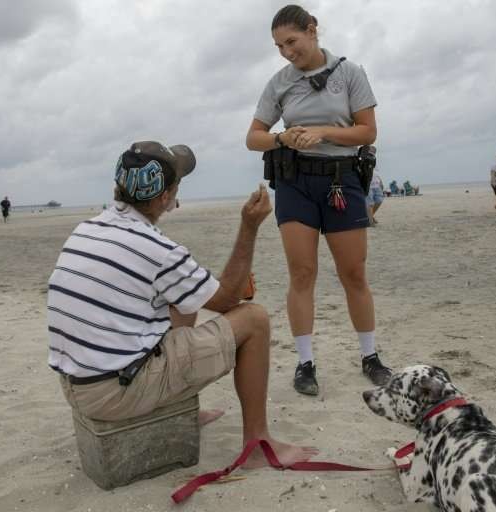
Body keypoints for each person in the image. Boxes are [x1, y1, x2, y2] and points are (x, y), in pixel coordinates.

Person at [48, 141, 317, 467]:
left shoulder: (87, 229)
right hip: (117, 393)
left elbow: (190, 298)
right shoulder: (155, 248)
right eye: (177, 183)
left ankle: (179, 406)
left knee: (182, 303)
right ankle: (258, 444)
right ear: (166, 198)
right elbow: (227, 300)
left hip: (78, 386)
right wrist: (249, 227)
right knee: (255, 319)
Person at [245, 5, 391, 396]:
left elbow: (367, 131)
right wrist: (282, 137)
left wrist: (323, 131)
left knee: (353, 273)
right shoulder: (279, 83)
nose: (286, 52)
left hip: (342, 180)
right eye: (279, 46)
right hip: (294, 183)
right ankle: (305, 363)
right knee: (302, 273)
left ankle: (370, 357)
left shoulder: (349, 73)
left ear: (312, 30)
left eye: (291, 41)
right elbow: (253, 137)